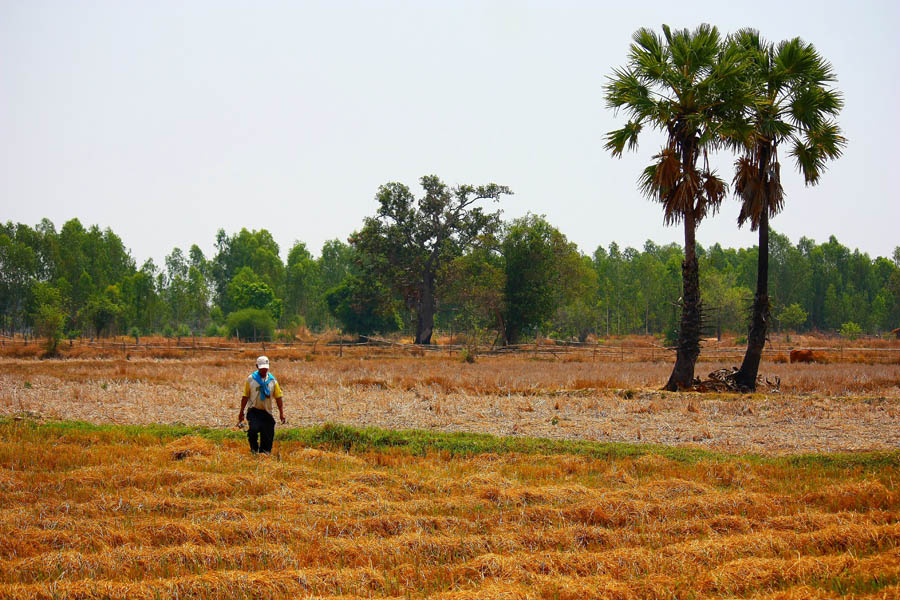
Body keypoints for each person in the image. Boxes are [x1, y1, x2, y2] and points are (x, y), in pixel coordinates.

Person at [238, 355, 285, 454]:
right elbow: (245, 396)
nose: (264, 371)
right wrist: (241, 412)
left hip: (267, 412)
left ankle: (264, 453)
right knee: (253, 429)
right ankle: (254, 450)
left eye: (265, 369)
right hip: (254, 411)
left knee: (268, 432)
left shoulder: (273, 381)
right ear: (257, 366)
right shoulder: (251, 379)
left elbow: (278, 397)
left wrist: (281, 413)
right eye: (261, 369)